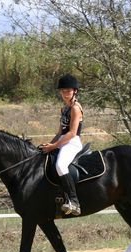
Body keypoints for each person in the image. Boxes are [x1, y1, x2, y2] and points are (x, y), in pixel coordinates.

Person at [41, 74, 83, 216]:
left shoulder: (75, 108)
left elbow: (71, 133)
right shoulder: (64, 109)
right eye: (63, 91)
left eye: (68, 91)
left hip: (72, 143)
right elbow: (60, 132)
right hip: (63, 141)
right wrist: (50, 143)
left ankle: (74, 201)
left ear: (75, 91)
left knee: (60, 165)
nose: (65, 94)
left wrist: (54, 146)